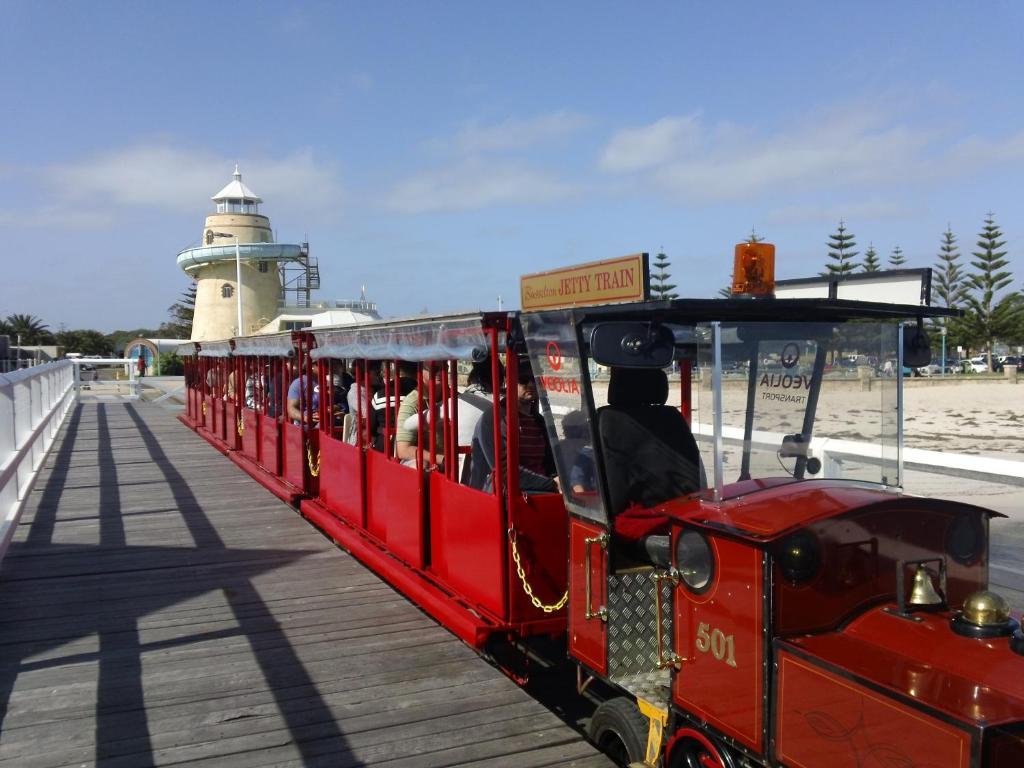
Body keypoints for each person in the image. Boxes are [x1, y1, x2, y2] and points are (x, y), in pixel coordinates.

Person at [468, 358, 558, 494]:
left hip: (542, 492)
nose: (531, 384)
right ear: (509, 379)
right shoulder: (494, 418)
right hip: (505, 497)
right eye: (523, 378)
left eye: (536, 378)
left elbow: (552, 463)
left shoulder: (539, 421)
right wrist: (553, 484)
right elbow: (507, 473)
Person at [395, 363, 446, 469]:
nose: (439, 372)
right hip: (428, 463)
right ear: (420, 371)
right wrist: (440, 459)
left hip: (453, 460)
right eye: (433, 368)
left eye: (444, 367)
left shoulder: (456, 397)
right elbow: (403, 450)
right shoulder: (412, 402)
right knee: (419, 465)